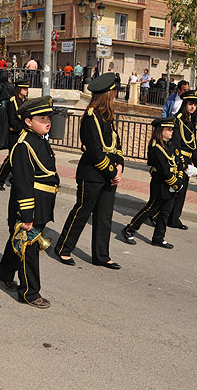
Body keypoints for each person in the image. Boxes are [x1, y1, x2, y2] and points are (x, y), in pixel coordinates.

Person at [0, 96, 59, 308]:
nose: (47, 121)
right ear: (28, 121)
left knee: (18, 241)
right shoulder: (23, 146)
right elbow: (23, 183)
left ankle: (3, 272)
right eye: (41, 118)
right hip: (29, 205)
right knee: (28, 248)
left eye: (48, 117)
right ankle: (29, 292)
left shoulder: (39, 139)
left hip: (43, 201)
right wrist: (27, 216)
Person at [54, 73, 123, 269]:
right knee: (82, 212)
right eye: (114, 92)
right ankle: (63, 248)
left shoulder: (109, 117)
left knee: (104, 216)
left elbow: (116, 145)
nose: (116, 96)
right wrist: (112, 172)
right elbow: (94, 150)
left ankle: (101, 255)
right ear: (107, 94)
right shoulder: (91, 117)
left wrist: (119, 166)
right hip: (92, 174)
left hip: (109, 174)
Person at [120, 117, 183, 249]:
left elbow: (178, 163)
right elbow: (163, 169)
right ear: (161, 130)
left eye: (172, 129)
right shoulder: (155, 147)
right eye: (169, 129)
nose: (172, 132)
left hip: (171, 185)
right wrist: (175, 183)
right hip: (160, 184)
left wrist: (179, 179)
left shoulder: (170, 145)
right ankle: (129, 229)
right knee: (150, 209)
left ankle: (158, 238)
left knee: (165, 212)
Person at [167, 90, 197, 230]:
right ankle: (160, 216)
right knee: (173, 191)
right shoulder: (178, 120)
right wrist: (182, 164)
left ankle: (174, 219)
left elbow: (192, 146)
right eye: (190, 104)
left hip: (187, 162)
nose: (192, 107)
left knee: (181, 193)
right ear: (185, 104)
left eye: (195, 104)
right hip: (178, 161)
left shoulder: (190, 123)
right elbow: (175, 145)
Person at [0, 80, 30, 190]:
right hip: (15, 134)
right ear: (19, 89)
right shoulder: (12, 102)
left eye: (27, 89)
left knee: (21, 158)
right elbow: (12, 120)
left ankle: (15, 178)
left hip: (23, 133)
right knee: (11, 159)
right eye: (24, 89)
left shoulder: (24, 101)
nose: (26, 91)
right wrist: (21, 131)